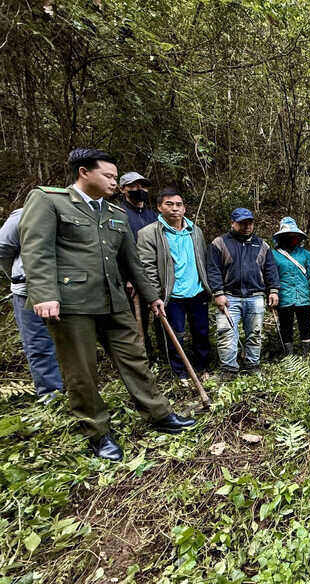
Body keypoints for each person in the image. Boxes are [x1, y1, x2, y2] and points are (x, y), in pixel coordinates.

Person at [19, 149, 194, 461]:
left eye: (116, 177)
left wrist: (152, 295)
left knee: (135, 358)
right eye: (109, 176)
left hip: (114, 301)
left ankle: (159, 414)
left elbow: (131, 261)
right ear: (84, 172)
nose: (115, 182)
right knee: (81, 371)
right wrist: (44, 294)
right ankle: (96, 433)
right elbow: (36, 249)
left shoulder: (115, 214)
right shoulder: (50, 201)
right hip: (71, 304)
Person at [137, 188, 212, 384]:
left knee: (201, 332)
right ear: (159, 207)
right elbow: (147, 267)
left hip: (197, 291)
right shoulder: (148, 233)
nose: (174, 209)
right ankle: (180, 372)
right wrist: (155, 296)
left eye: (178, 205)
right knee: (175, 335)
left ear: (184, 209)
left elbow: (203, 259)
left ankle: (202, 367)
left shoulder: (195, 231)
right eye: (169, 204)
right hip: (171, 295)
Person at [207, 208, 279, 379]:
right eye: (242, 223)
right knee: (226, 332)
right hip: (229, 296)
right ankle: (228, 369)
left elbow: (270, 269)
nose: (246, 226)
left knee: (255, 332)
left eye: (249, 223)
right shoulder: (219, 243)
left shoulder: (262, 245)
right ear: (233, 223)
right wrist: (218, 293)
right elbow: (213, 269)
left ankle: (253, 364)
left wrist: (273, 290)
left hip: (255, 295)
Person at [0, 208, 64, 400]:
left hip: (67, 291)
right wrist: (19, 276)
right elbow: (3, 249)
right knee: (39, 346)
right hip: (27, 292)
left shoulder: (73, 212)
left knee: (73, 343)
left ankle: (78, 392)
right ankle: (52, 398)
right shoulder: (22, 215)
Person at [118, 171, 162, 362]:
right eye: (134, 186)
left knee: (162, 315)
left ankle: (165, 355)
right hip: (133, 278)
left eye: (142, 186)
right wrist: (127, 277)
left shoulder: (153, 215)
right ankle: (145, 357)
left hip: (155, 274)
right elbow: (117, 249)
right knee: (139, 320)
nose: (139, 190)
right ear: (123, 189)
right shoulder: (119, 214)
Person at [273, 217, 310, 355]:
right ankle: (289, 356)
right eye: (287, 236)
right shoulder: (273, 255)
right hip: (284, 296)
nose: (291, 238)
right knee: (286, 326)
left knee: (305, 325)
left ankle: (307, 354)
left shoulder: (306, 254)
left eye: (294, 236)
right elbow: (271, 277)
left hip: (303, 295)